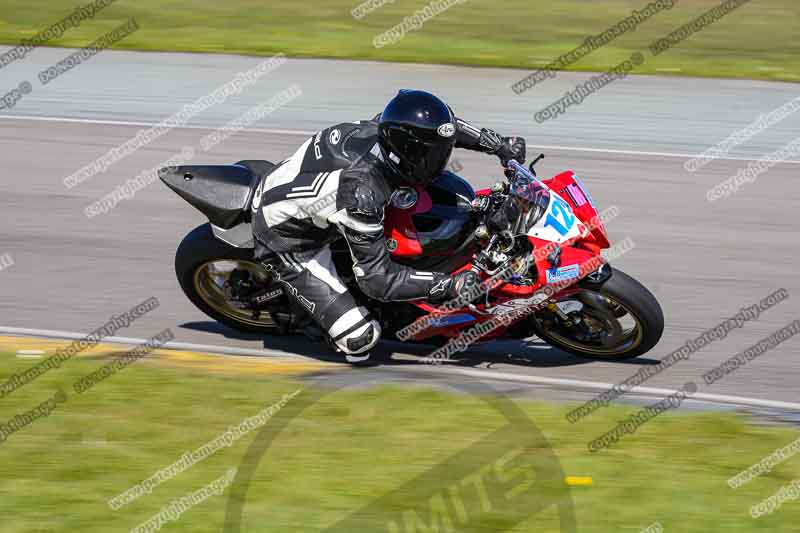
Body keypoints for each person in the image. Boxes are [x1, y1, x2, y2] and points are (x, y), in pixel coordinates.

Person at [251, 89, 526, 363]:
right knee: (360, 338)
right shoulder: (362, 193)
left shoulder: (387, 127)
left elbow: (440, 129)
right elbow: (377, 281)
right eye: (430, 156)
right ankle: (309, 320)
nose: (440, 160)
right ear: (403, 152)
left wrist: (497, 145)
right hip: (289, 240)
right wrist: (450, 286)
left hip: (309, 190)